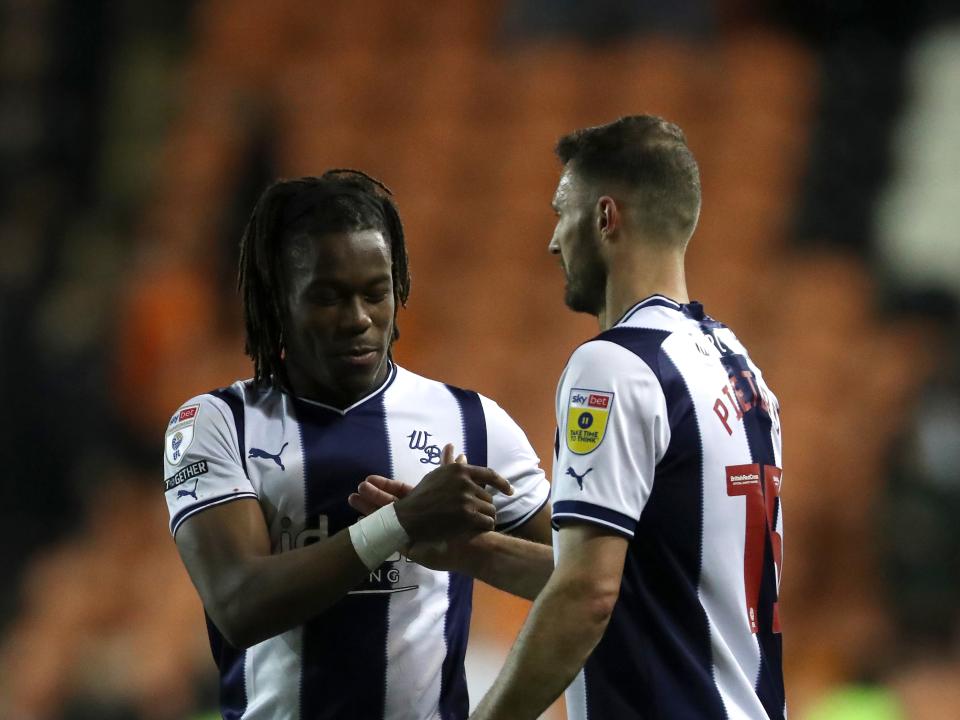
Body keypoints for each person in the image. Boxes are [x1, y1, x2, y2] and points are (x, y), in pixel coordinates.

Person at [363, 116, 786, 718]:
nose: (553, 240)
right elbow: (646, 589)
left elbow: (589, 594)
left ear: (605, 217)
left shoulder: (614, 366)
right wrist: (473, 552)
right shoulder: (735, 367)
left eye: (563, 211)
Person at [162, 169, 552, 719]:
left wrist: (473, 553)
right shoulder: (218, 423)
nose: (358, 319)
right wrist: (401, 523)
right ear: (279, 299)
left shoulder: (472, 422)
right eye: (328, 298)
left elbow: (580, 581)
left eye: (376, 293)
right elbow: (238, 604)